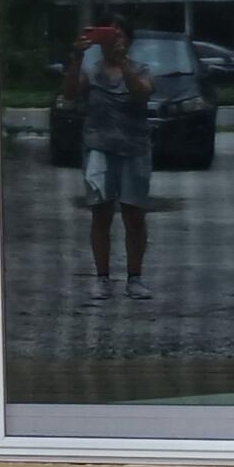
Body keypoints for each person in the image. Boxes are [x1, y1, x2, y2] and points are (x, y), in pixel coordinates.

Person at [64, 23, 155, 301]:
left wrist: (123, 64)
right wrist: (77, 55)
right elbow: (69, 93)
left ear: (128, 40)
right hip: (99, 150)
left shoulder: (140, 68)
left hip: (135, 149)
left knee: (134, 216)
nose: (114, 40)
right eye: (108, 35)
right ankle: (102, 278)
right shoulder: (91, 71)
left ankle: (135, 278)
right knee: (101, 214)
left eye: (119, 35)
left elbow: (142, 93)